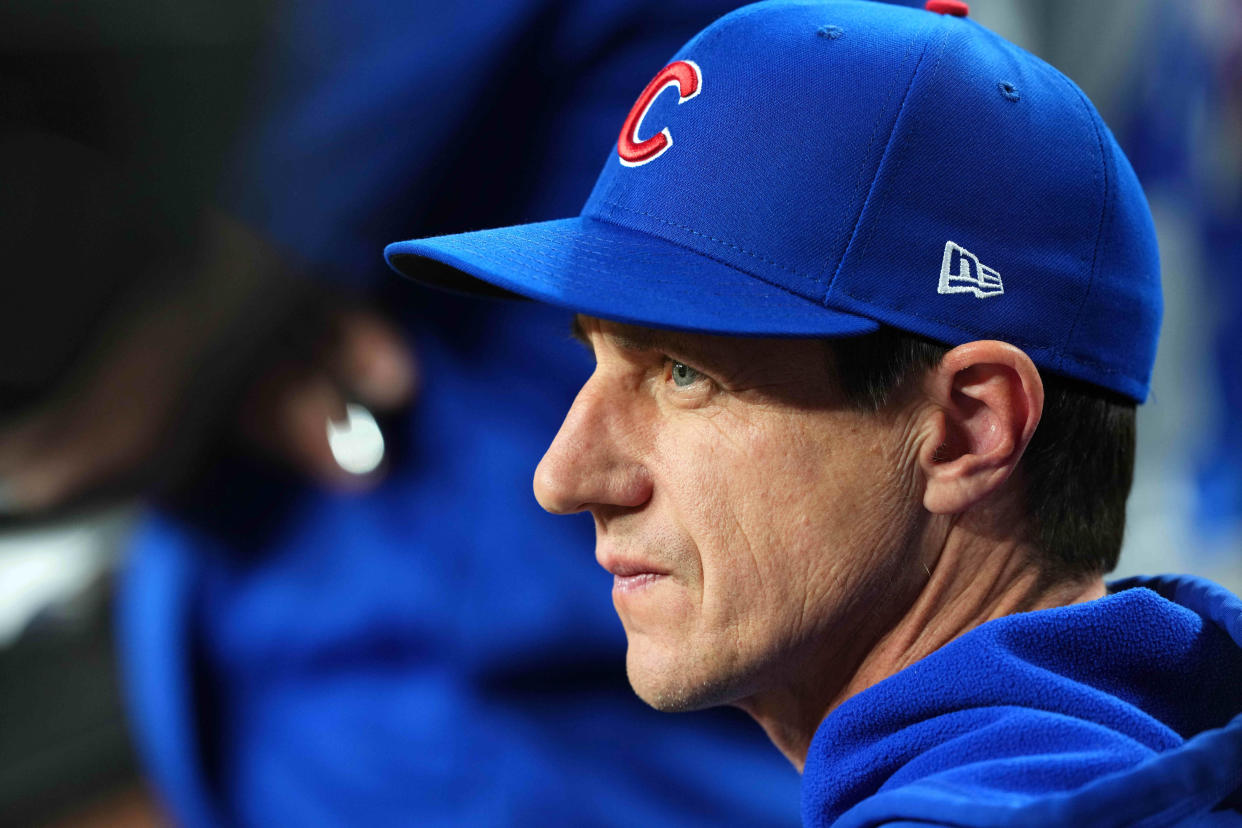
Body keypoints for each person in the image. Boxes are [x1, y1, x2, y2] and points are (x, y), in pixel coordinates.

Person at [383, 1, 1242, 825]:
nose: (564, 476)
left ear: (967, 429)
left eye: (684, 373)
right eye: (593, 357)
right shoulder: (1158, 742)